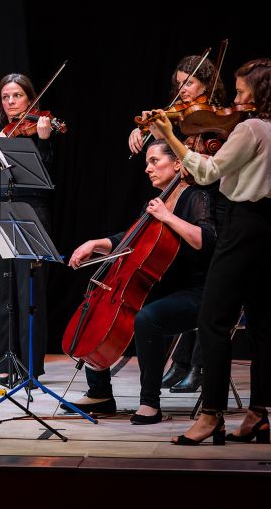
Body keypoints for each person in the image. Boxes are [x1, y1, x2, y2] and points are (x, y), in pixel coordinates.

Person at [151, 58, 271, 445]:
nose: (234, 99)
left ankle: (211, 414)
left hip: (244, 224)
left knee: (213, 320)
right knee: (263, 324)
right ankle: (257, 414)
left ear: (258, 93)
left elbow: (206, 173)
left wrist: (170, 136)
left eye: (240, 92)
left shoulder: (251, 128)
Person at [66, 140, 216, 423]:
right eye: (147, 162)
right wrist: (95, 243)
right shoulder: (156, 203)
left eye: (154, 161)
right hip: (164, 286)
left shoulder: (196, 197)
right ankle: (99, 393)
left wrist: (168, 217)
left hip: (197, 291)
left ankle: (150, 403)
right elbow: (132, 240)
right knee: (98, 304)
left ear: (178, 164)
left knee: (148, 318)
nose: (148, 169)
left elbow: (205, 241)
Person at [131, 54, 229, 394]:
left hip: (212, 203)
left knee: (205, 280)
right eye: (179, 83)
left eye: (189, 83)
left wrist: (190, 155)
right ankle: (182, 362)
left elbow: (209, 166)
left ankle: (198, 365)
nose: (182, 90)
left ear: (206, 85)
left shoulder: (217, 121)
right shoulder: (187, 118)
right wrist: (141, 129)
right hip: (189, 203)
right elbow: (169, 147)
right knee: (183, 278)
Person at [0, 73, 56, 383]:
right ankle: (0, 361)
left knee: (29, 292)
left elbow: (48, 178)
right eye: (6, 97)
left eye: (18, 96)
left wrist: (43, 140)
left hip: (30, 212)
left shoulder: (42, 130)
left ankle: (29, 365)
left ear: (30, 99)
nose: (11, 102)